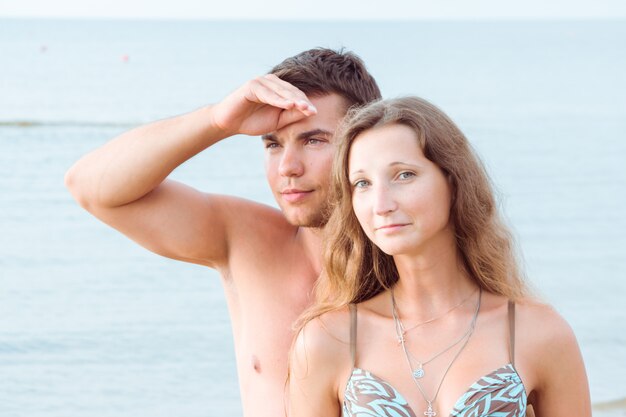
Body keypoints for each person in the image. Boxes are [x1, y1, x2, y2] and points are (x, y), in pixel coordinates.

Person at [64, 48, 381, 417]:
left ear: (363, 142)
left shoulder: (412, 261)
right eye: (273, 145)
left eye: (313, 141)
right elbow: (88, 186)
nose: (288, 168)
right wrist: (218, 120)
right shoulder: (247, 240)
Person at [288, 97, 591, 416]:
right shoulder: (328, 339)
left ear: (453, 181)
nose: (381, 204)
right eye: (362, 183)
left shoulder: (538, 332)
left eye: (403, 175)